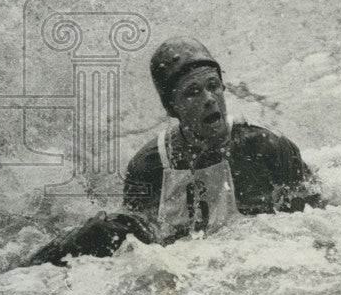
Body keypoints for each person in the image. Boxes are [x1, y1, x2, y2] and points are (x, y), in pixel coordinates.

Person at [26, 37, 321, 266]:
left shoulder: (266, 148)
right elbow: (143, 251)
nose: (209, 99)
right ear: (172, 107)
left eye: (214, 86)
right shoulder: (149, 166)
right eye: (193, 92)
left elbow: (317, 223)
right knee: (102, 231)